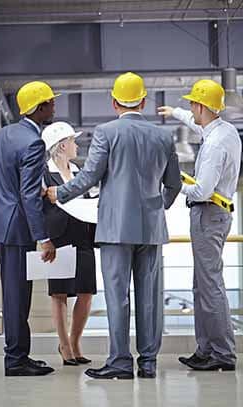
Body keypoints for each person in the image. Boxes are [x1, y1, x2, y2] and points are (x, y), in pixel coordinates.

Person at [47, 72, 182, 379]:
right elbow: (173, 184)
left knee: (117, 296)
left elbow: (90, 176)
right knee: (149, 298)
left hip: (115, 229)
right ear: (144, 101)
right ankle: (148, 364)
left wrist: (60, 193)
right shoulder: (163, 136)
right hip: (151, 230)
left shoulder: (106, 132)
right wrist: (157, 209)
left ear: (114, 102)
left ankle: (120, 363)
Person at [158, 79, 242, 371]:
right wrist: (176, 112)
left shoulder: (217, 143)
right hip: (212, 215)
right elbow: (198, 126)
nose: (191, 106)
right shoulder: (223, 130)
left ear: (202, 106)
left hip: (208, 213)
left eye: (193, 103)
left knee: (211, 286)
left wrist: (175, 183)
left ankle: (222, 354)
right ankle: (206, 349)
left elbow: (202, 192)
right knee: (202, 287)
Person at [0, 81, 59, 376]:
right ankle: (15, 360)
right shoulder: (33, 142)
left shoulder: (4, 134)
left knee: (14, 292)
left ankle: (19, 355)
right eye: (51, 103)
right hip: (18, 229)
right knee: (18, 295)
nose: (54, 106)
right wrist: (44, 237)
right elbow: (28, 195)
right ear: (39, 108)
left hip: (0, 223)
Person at [41, 121, 96, 366]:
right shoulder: (43, 172)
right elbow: (38, 208)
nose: (76, 145)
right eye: (73, 141)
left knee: (86, 292)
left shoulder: (78, 171)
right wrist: (44, 239)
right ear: (62, 145)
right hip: (58, 238)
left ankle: (75, 342)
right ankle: (64, 346)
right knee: (59, 293)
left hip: (82, 235)